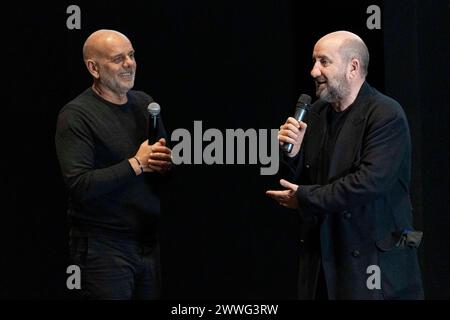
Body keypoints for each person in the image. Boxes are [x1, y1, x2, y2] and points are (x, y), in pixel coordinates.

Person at [266, 31, 424, 299]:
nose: (314, 71)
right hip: (323, 263)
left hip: (372, 268)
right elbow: (298, 179)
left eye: (324, 62)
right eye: (314, 62)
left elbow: (367, 183)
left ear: (353, 67)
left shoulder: (385, 114)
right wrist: (290, 152)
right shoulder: (315, 114)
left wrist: (304, 197)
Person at [55, 29, 172, 299]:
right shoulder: (76, 115)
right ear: (94, 68)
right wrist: (137, 164)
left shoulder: (145, 105)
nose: (129, 64)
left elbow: (161, 176)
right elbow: (79, 185)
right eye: (118, 59)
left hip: (146, 243)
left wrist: (165, 165)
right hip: (103, 249)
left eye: (131, 55)